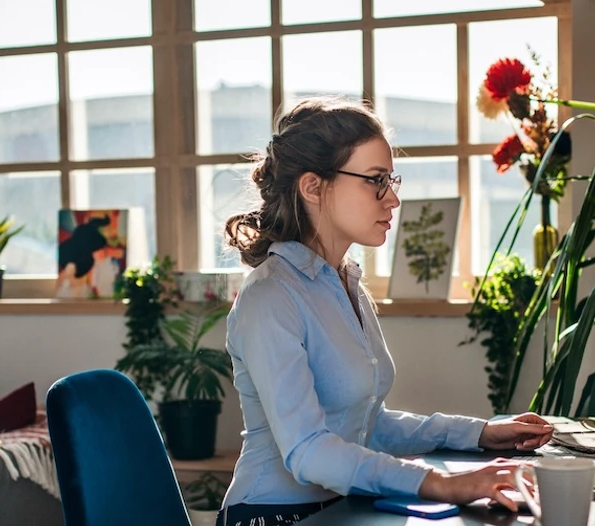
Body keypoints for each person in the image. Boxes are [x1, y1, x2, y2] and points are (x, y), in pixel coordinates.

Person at [217, 96, 555, 526]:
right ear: (313, 187)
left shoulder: (346, 283)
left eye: (391, 180)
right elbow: (308, 450)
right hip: (275, 515)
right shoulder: (270, 298)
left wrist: (480, 433)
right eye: (375, 180)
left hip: (343, 507)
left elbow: (366, 426)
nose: (392, 198)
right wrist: (439, 482)